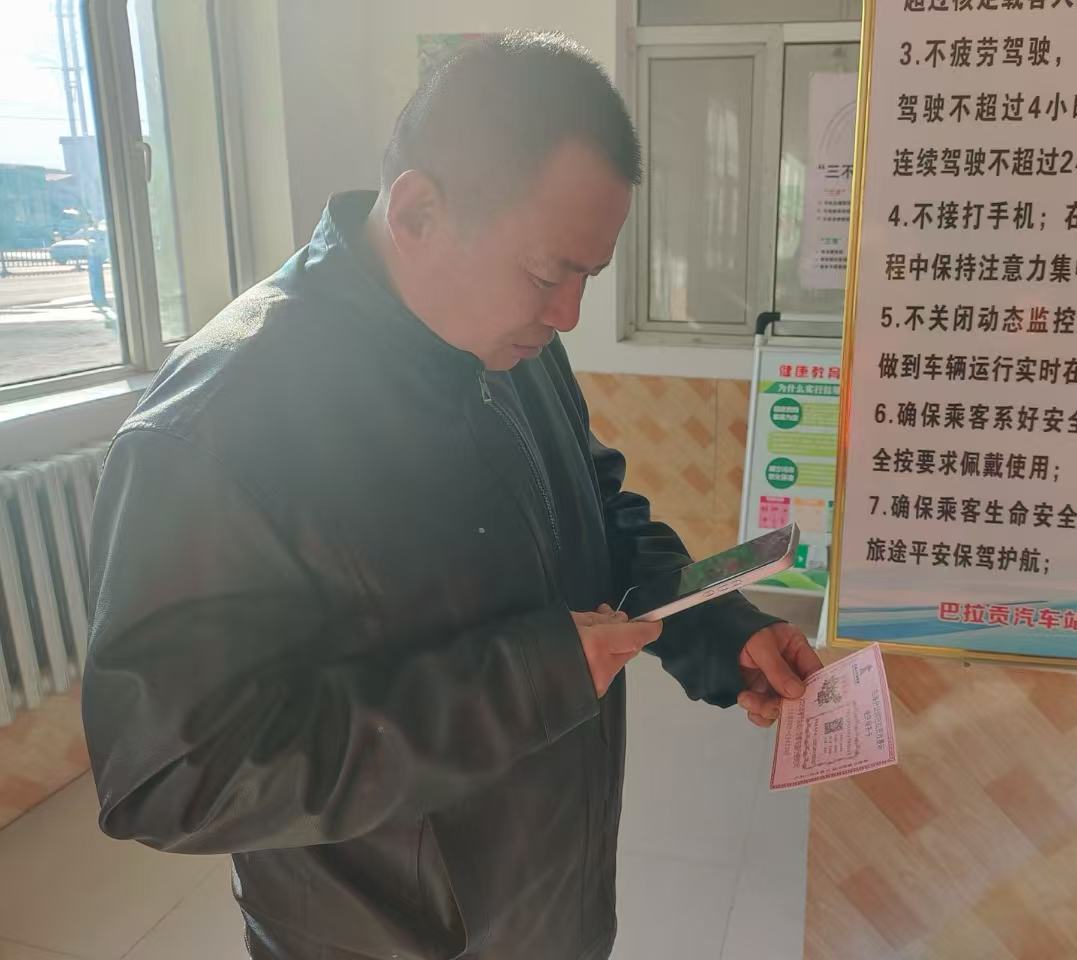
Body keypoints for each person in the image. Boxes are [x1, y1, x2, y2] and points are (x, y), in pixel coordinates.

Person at [81, 32, 821, 960]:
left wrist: (716, 627)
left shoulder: (511, 345)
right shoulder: (221, 424)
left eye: (587, 277)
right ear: (419, 210)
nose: (568, 314)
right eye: (548, 273)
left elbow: (595, 516)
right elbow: (169, 774)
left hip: (553, 901)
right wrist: (524, 683)